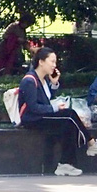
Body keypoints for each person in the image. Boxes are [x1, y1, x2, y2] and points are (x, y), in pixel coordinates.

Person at [17, 47, 88, 176]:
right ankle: (91, 142)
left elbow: (46, 99)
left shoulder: (43, 79)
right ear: (41, 62)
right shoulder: (29, 80)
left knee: (68, 123)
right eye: (52, 61)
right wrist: (54, 109)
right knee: (69, 115)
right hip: (32, 119)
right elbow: (33, 107)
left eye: (55, 62)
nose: (54, 65)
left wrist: (54, 84)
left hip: (41, 116)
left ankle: (65, 163)